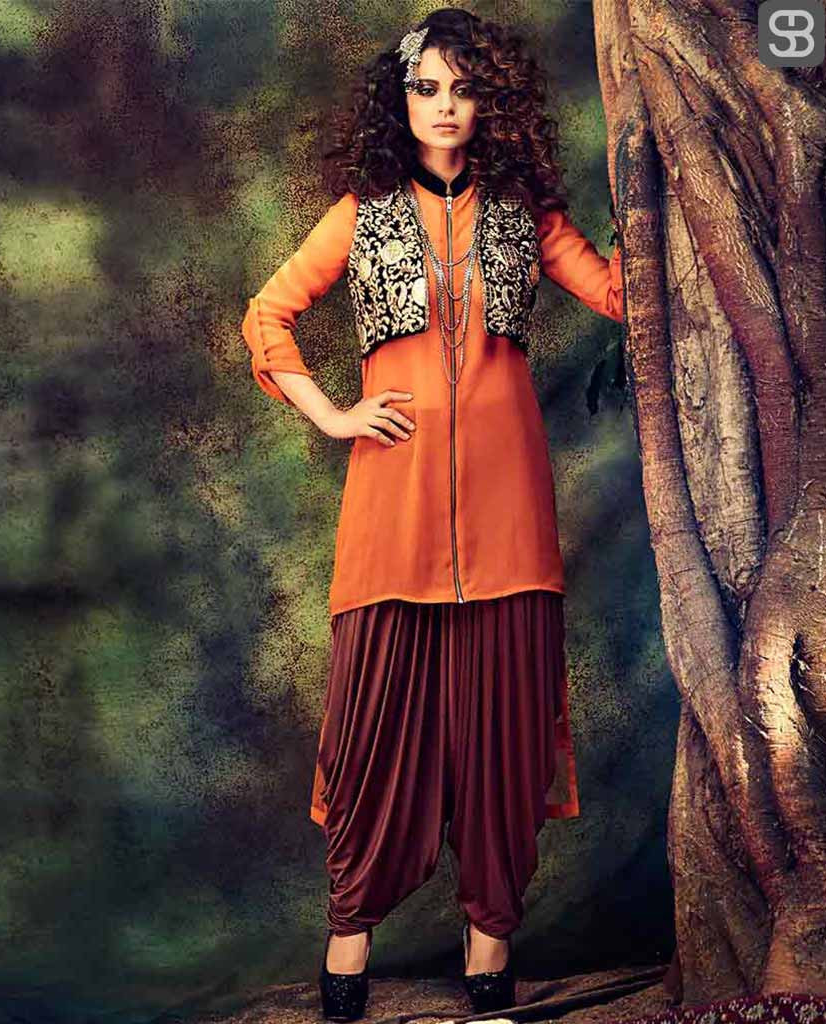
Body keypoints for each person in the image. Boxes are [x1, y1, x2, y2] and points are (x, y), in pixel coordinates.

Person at [240, 9, 624, 1021]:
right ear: (400, 99)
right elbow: (267, 313)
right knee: (375, 729)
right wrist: (332, 413)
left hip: (509, 510)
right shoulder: (360, 212)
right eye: (426, 89)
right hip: (391, 506)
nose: (444, 107)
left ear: (488, 100)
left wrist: (660, 201)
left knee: (503, 732)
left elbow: (620, 295)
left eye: (462, 89)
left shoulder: (524, 212)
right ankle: (348, 942)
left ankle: (489, 945)